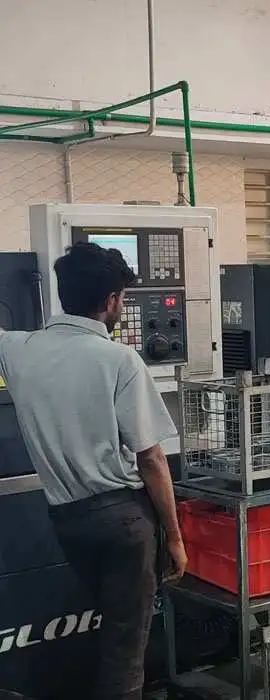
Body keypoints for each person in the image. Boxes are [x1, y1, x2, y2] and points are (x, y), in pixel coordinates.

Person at [0, 242, 187, 700]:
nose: (123, 307)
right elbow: (151, 459)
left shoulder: (18, 349)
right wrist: (176, 537)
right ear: (110, 301)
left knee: (109, 630)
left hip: (67, 520)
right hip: (123, 519)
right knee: (126, 647)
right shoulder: (119, 360)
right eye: (124, 298)